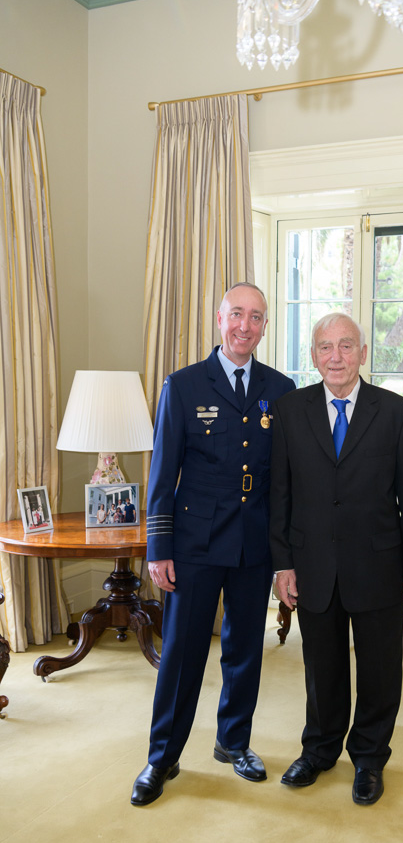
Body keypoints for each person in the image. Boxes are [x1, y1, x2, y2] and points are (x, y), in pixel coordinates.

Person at [131, 282, 295, 807]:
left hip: (254, 543)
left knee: (245, 649)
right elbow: (163, 473)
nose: (245, 325)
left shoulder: (281, 388)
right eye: (237, 314)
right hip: (194, 544)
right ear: (220, 319)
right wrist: (159, 548)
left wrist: (286, 553)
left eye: (256, 317)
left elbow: (285, 480)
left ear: (264, 326)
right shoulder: (183, 385)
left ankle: (234, 742)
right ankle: (162, 757)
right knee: (182, 654)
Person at [270, 312, 403, 806]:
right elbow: (280, 495)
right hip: (312, 563)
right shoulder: (290, 410)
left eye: (345, 346)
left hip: (378, 564)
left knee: (380, 670)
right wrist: (283, 563)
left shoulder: (396, 412)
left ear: (362, 353)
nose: (335, 357)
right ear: (313, 355)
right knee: (322, 667)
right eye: (325, 347)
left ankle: (369, 758)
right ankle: (318, 750)